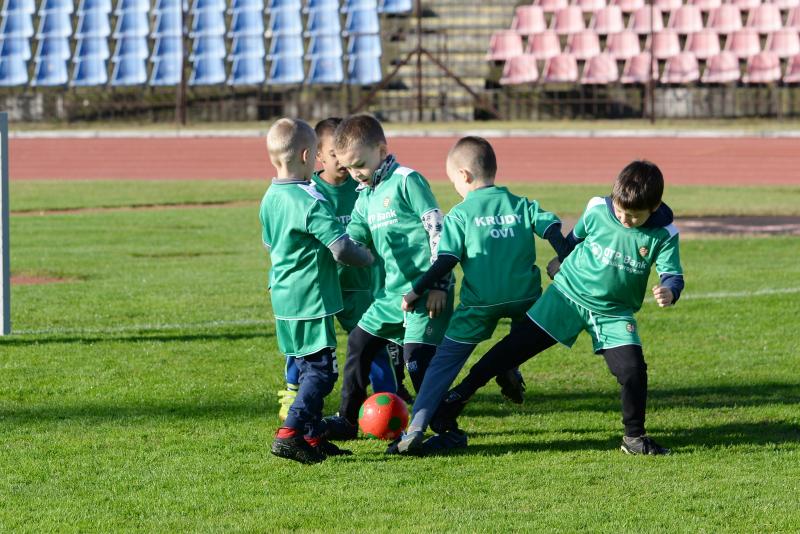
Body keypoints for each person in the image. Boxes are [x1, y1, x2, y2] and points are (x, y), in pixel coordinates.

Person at [431, 160, 684, 456]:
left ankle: (634, 438)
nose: (624, 219)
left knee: (633, 371)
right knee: (512, 349)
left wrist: (669, 290)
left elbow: (673, 274)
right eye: (620, 211)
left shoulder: (665, 233)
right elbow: (575, 240)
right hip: (567, 295)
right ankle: (456, 399)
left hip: (613, 312)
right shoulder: (597, 209)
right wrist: (560, 259)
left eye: (633, 216)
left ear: (653, 209)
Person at [389, 136, 569, 454]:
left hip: (480, 304)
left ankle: (415, 428)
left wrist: (416, 290)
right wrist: (564, 257)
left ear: (465, 176)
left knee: (443, 365)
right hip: (526, 298)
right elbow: (553, 229)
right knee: (519, 333)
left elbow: (446, 260)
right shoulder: (521, 204)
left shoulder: (460, 214)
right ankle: (507, 367)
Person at [322, 114, 455, 440]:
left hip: (426, 294)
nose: (355, 174)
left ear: (382, 150)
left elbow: (437, 228)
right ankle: (347, 420)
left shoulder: (408, 180)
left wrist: (439, 283)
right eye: (349, 168)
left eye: (360, 165)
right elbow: (351, 241)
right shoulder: (364, 197)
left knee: (416, 363)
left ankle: (445, 430)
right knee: (358, 343)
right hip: (390, 297)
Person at [259, 118, 373, 464]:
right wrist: (370, 256)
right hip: (310, 297)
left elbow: (269, 243)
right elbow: (340, 249)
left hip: (283, 295)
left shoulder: (270, 196)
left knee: (308, 365)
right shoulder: (309, 200)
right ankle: (290, 434)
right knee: (322, 370)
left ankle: (310, 436)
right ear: (309, 155)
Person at [276, 117, 401, 421]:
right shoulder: (307, 192)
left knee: (372, 344)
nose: (342, 163)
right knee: (304, 345)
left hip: (356, 285)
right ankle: (292, 392)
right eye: (333, 155)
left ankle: (389, 402)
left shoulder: (363, 186)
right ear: (318, 155)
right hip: (317, 286)